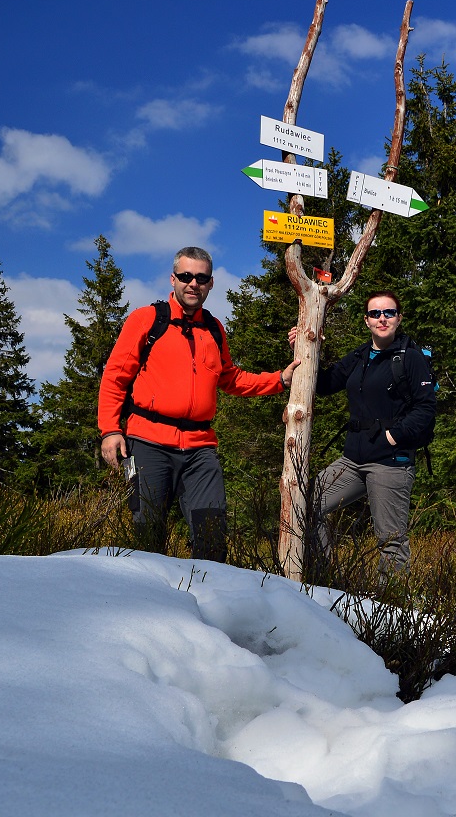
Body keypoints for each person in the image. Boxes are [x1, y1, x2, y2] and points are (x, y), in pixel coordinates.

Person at [98, 246, 299, 562]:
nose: (194, 283)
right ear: (173, 278)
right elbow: (115, 377)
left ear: (211, 283)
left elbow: (230, 378)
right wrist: (110, 430)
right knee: (147, 535)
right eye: (186, 276)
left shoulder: (214, 329)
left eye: (201, 278)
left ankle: (204, 606)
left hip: (199, 449)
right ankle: (145, 608)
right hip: (147, 443)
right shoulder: (147, 320)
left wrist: (279, 380)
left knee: (211, 538)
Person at [291, 290, 435, 577]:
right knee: (307, 503)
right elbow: (325, 383)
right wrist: (307, 349)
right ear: (366, 320)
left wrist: (392, 436)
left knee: (390, 539)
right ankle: (322, 581)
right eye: (375, 313)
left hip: (391, 463)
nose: (382, 318)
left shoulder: (411, 358)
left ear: (399, 318)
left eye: (389, 312)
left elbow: (426, 409)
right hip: (352, 460)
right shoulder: (359, 356)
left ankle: (391, 609)